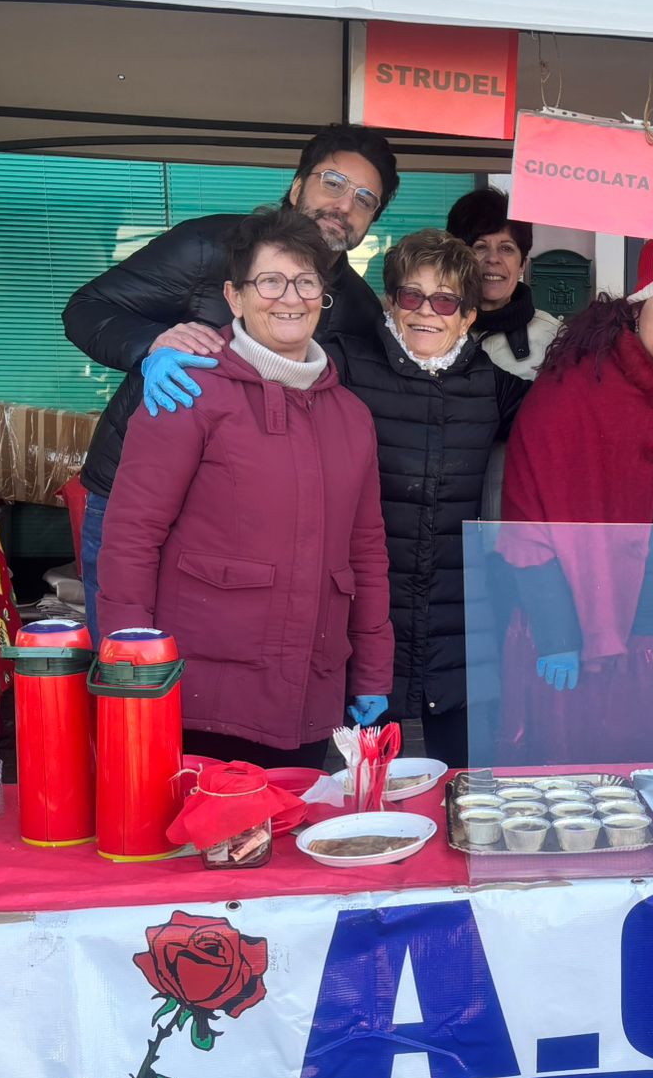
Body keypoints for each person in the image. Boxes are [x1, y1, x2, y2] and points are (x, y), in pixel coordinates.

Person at [63, 124, 398, 637]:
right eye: (332, 183)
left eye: (365, 198)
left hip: (245, 519)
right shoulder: (206, 247)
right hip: (133, 495)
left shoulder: (355, 308)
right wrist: (151, 345)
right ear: (297, 185)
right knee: (130, 662)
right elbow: (87, 308)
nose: (343, 204)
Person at [96, 206, 391, 769]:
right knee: (208, 847)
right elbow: (133, 533)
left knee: (290, 841)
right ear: (235, 297)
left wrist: (374, 670)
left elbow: (367, 553)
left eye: (306, 281)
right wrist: (129, 653)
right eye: (270, 281)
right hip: (204, 695)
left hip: (310, 691)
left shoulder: (351, 415)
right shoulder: (189, 391)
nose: (290, 297)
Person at [496, 233, 653, 765]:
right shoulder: (574, 388)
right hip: (595, 639)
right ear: (639, 304)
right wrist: (556, 632)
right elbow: (527, 521)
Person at [324, 228, 527, 767]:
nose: (426, 313)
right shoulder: (341, 365)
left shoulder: (491, 384)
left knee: (459, 789)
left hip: (457, 626)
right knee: (363, 792)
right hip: (364, 619)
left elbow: (573, 413)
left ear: (467, 317)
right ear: (392, 302)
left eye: (444, 301)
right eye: (412, 296)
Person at [447, 188, 562, 384]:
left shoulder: (555, 339)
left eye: (506, 249)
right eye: (480, 247)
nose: (493, 259)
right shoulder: (429, 323)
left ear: (522, 265)